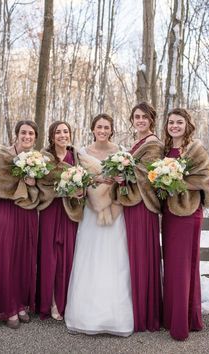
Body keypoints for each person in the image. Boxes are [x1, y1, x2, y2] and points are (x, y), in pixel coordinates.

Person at [64, 113, 134, 336]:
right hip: (92, 212)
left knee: (115, 259)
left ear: (111, 130)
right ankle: (85, 315)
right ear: (93, 129)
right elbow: (79, 180)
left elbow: (128, 181)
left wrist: (120, 181)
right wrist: (95, 180)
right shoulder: (82, 153)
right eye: (99, 127)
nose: (102, 130)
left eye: (106, 127)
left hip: (114, 210)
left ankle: (116, 317)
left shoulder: (121, 153)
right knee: (90, 257)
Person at [161, 108, 209, 341]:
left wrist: (178, 181)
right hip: (170, 213)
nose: (174, 126)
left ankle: (183, 322)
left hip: (188, 212)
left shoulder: (195, 149)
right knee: (172, 265)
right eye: (171, 122)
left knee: (184, 266)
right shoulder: (165, 150)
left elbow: (205, 177)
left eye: (179, 122)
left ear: (187, 125)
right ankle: (172, 316)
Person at [112, 102, 164, 332]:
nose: (140, 120)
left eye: (144, 117)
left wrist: (123, 173)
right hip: (132, 204)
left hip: (143, 205)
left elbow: (147, 174)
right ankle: (136, 308)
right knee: (133, 255)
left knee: (142, 255)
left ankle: (146, 314)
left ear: (151, 119)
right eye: (136, 117)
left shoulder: (153, 143)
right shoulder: (137, 143)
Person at [0, 120, 39, 329]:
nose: (27, 136)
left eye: (31, 134)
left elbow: (40, 186)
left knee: (23, 258)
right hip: (6, 209)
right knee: (6, 257)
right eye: (23, 133)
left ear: (35, 138)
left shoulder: (36, 159)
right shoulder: (2, 154)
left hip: (27, 210)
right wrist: (25, 178)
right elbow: (2, 181)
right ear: (16, 135)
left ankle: (20, 304)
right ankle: (7, 307)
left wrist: (33, 182)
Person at [36, 121, 83, 320]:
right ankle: (48, 302)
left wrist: (80, 191)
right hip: (49, 209)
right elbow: (42, 183)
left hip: (69, 211)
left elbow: (85, 180)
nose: (62, 135)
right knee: (49, 255)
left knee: (67, 256)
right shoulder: (44, 158)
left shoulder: (76, 157)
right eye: (58, 132)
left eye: (65, 131)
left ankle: (63, 302)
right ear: (51, 136)